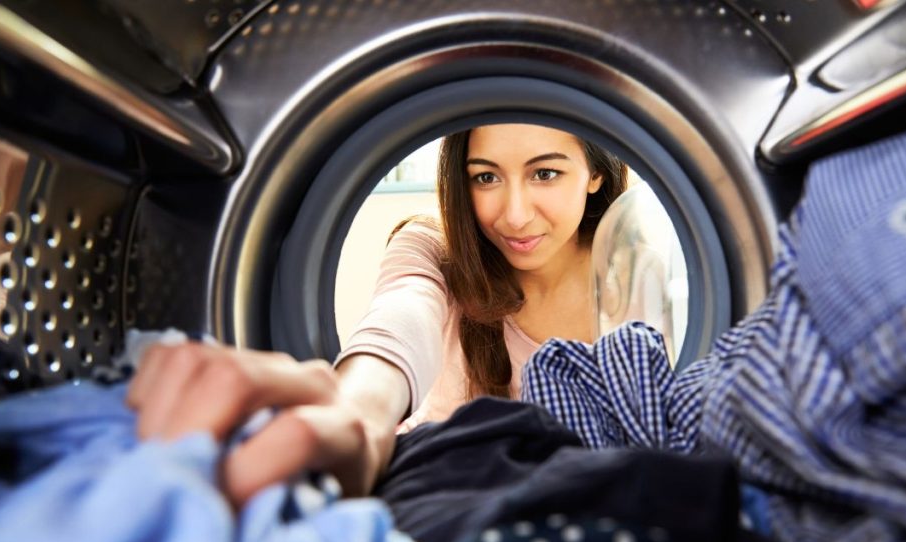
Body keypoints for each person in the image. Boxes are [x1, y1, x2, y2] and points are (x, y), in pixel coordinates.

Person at [127, 124, 628, 507]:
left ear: (595, 173)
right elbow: (401, 315)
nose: (514, 214)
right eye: (486, 177)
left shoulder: (637, 272)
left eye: (545, 173)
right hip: (441, 499)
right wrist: (358, 415)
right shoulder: (432, 246)